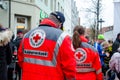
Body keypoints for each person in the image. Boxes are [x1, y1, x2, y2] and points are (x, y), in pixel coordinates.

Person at [17, 11, 76, 80]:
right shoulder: (63, 37)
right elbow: (70, 68)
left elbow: (20, 60)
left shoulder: (27, 35)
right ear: (60, 25)